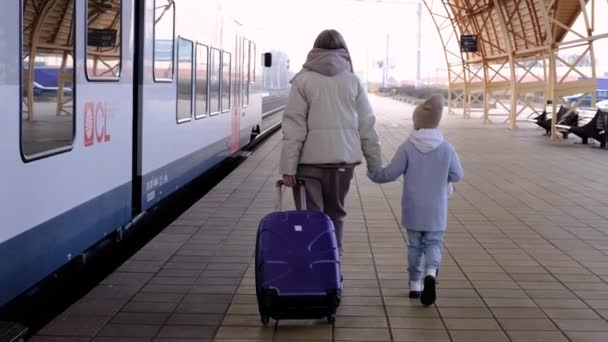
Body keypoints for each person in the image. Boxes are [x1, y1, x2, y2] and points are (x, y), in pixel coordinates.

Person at [279, 29, 382, 257]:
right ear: (344, 50)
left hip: (308, 166)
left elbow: (294, 127)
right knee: (336, 215)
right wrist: (375, 165)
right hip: (342, 164)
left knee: (311, 218)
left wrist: (288, 167)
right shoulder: (353, 82)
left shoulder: (302, 81)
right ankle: (334, 270)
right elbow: (367, 126)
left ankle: (316, 270)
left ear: (315, 49)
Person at [367, 94, 463, 306]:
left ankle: (415, 285)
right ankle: (431, 273)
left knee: (414, 246)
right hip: (436, 208)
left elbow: (390, 173)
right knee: (434, 243)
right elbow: (457, 175)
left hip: (413, 208)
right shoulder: (446, 148)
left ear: (417, 122)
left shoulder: (407, 146)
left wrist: (373, 173)